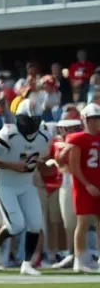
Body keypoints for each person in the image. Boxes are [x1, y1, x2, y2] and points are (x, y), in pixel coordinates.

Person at [0, 101, 51, 275]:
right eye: (26, 120)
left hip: (27, 184)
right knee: (16, 226)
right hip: (5, 185)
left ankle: (27, 264)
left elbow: (42, 160)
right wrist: (12, 165)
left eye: (32, 120)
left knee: (36, 224)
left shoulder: (44, 135)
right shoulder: (9, 134)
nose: (28, 124)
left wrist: (45, 167)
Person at [62, 103, 100, 273]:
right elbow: (74, 166)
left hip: (97, 184)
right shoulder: (77, 138)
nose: (97, 122)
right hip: (84, 185)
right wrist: (87, 185)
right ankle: (79, 258)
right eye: (94, 119)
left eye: (98, 118)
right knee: (83, 223)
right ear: (85, 120)